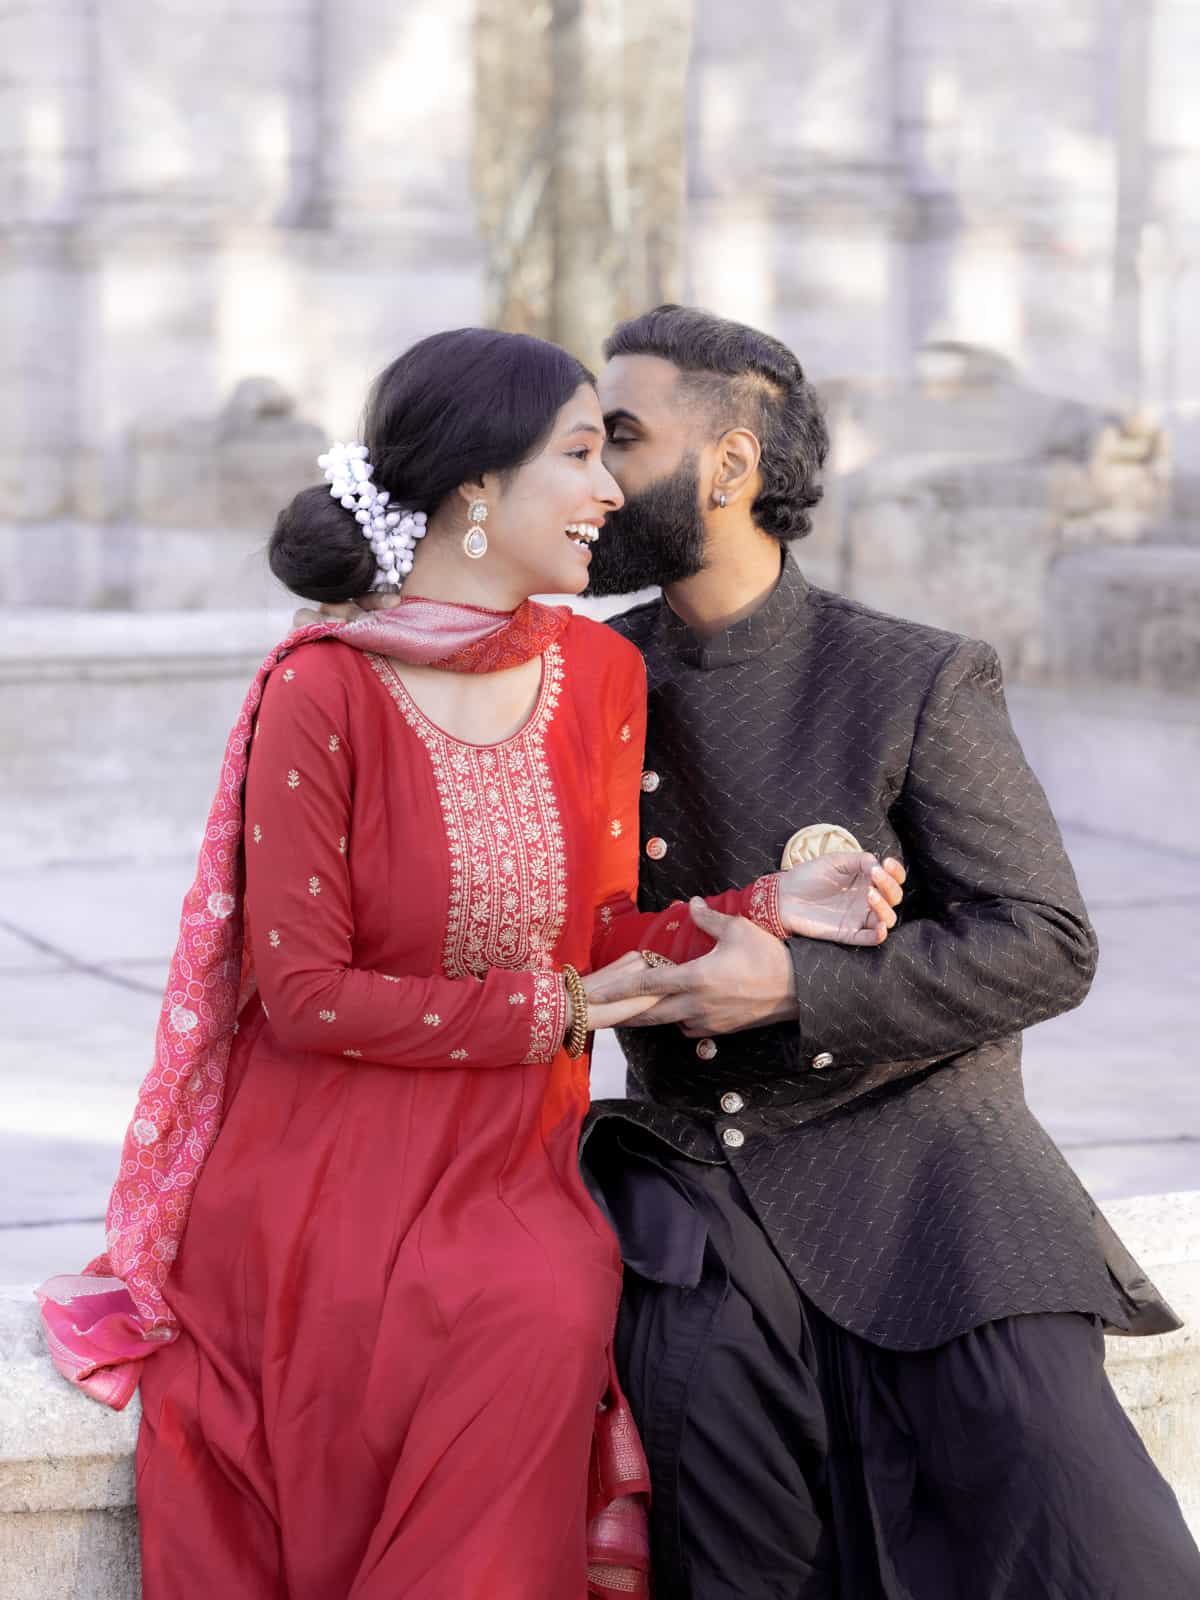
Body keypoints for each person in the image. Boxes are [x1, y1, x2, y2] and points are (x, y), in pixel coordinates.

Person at [37, 327, 905, 1600]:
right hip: (320, 1169)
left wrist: (778, 904)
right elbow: (306, 990)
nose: (610, 489)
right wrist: (552, 1007)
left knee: (541, 1305)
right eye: (577, 453)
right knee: (363, 1354)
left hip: (507, 1165)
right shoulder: (324, 692)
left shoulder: (602, 674)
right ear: (475, 494)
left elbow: (602, 933)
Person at [578, 304, 1200, 1598]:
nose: (593, 469)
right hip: (705, 1183)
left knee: (1083, 1535)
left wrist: (803, 981)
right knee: (722, 1486)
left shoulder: (911, 674)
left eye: (622, 436)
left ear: (731, 464)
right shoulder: (587, 680)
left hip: (938, 1176)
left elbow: (1047, 941)